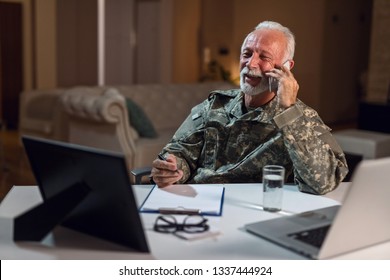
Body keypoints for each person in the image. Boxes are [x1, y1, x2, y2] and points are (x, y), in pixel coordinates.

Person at [151, 21, 348, 195]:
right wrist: (174, 169)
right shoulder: (215, 105)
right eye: (246, 54)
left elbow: (323, 182)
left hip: (256, 210)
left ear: (287, 67)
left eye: (264, 57)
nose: (251, 63)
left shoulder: (301, 118)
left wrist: (288, 111)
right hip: (202, 202)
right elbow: (180, 152)